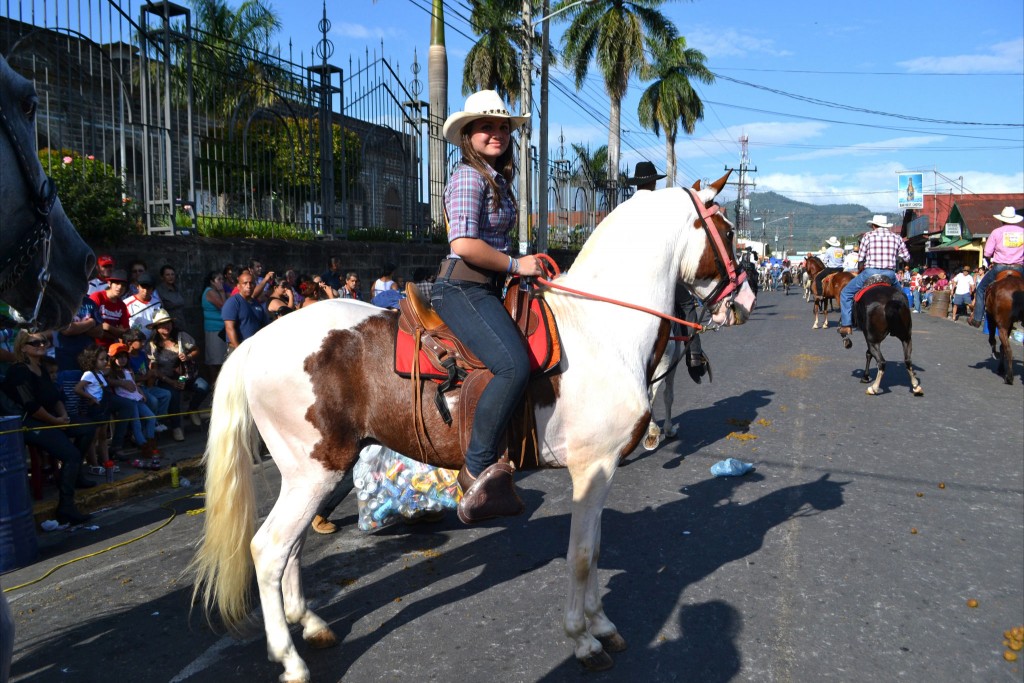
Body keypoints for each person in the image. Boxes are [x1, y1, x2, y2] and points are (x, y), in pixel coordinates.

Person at [432, 89, 542, 524]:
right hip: (464, 288)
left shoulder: (496, 179)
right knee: (514, 364)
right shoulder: (467, 178)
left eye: (502, 127)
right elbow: (463, 244)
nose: (497, 133)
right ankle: (476, 466)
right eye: (487, 126)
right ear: (467, 135)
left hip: (491, 286)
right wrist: (517, 263)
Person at [2, 331, 97, 524]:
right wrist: (56, 422)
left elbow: (55, 397)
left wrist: (63, 416)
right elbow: (31, 407)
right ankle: (66, 506)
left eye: (43, 341)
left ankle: (74, 473)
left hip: (50, 418)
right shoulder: (19, 371)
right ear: (23, 347)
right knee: (70, 454)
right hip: (28, 423)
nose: (41, 345)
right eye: (35, 342)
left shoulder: (42, 369)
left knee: (88, 427)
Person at [838, 215, 911, 336]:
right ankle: (901, 324)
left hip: (870, 272)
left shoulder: (868, 236)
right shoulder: (896, 237)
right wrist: (894, 256)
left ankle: (846, 325)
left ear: (873, 226)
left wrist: (861, 267)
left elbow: (861, 258)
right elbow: (907, 257)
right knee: (903, 297)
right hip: (889, 274)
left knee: (846, 293)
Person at [147, 309, 209, 441]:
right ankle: (176, 427)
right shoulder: (153, 344)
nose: (166, 326)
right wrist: (170, 381)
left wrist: (187, 356)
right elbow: (154, 368)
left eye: (168, 323)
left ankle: (192, 409)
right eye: (162, 324)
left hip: (185, 375)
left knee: (203, 386)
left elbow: (196, 350)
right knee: (173, 395)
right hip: (167, 379)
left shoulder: (181, 336)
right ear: (157, 328)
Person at [969, 207, 1024, 328]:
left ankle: (977, 318)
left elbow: (987, 253)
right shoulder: (1022, 232)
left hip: (1000, 268)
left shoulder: (996, 232)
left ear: (1002, 220)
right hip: (1019, 268)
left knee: (981, 289)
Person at [107, 342, 158, 459]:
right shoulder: (111, 372)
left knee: (151, 418)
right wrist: (121, 382)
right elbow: (108, 380)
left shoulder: (128, 370)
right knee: (136, 423)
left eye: (124, 356)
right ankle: (143, 445)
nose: (122, 359)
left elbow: (134, 384)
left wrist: (141, 392)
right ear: (112, 358)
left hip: (137, 398)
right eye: (119, 357)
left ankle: (150, 441)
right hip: (128, 401)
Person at [73, 345, 112, 468]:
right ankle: (93, 463)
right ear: (92, 360)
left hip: (104, 408)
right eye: (102, 359)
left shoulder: (100, 373)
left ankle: (106, 461)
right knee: (93, 438)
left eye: (106, 359)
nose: (105, 361)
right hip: (96, 409)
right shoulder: (89, 374)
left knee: (103, 436)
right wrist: (91, 397)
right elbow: (77, 388)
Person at [222, 271, 269, 353]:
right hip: (238, 348)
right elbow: (229, 328)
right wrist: (239, 350)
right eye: (245, 283)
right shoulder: (233, 302)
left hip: (255, 349)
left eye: (251, 283)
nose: (249, 286)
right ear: (238, 286)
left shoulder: (256, 304)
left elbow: (264, 326)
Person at [53, 295, 101, 372]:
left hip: (88, 359)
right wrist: (91, 322)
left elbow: (99, 332)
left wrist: (77, 328)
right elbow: (67, 330)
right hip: (66, 359)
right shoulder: (60, 302)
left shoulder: (90, 303)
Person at [88, 269, 131, 349]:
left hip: (112, 348)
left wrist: (108, 327)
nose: (120, 287)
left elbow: (124, 331)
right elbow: (91, 324)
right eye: (117, 283)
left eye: (123, 285)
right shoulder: (97, 297)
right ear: (109, 283)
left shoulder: (122, 305)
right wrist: (114, 331)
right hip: (93, 345)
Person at [201, 270, 228, 383]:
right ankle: (214, 383)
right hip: (214, 329)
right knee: (214, 359)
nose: (221, 282)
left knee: (221, 358)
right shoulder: (210, 292)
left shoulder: (215, 291)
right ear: (212, 282)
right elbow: (224, 306)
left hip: (221, 328)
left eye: (222, 279)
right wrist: (222, 291)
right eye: (218, 280)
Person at [124, 271, 163, 338]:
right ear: (137, 286)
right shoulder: (127, 303)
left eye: (148, 288)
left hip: (153, 342)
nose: (145, 291)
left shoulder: (158, 303)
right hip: (134, 341)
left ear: (153, 289)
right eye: (143, 287)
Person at [156, 264, 188, 332]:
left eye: (172, 274)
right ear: (162, 277)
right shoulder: (159, 291)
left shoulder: (177, 289)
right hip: (169, 325)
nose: (171, 277)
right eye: (167, 275)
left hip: (181, 323)